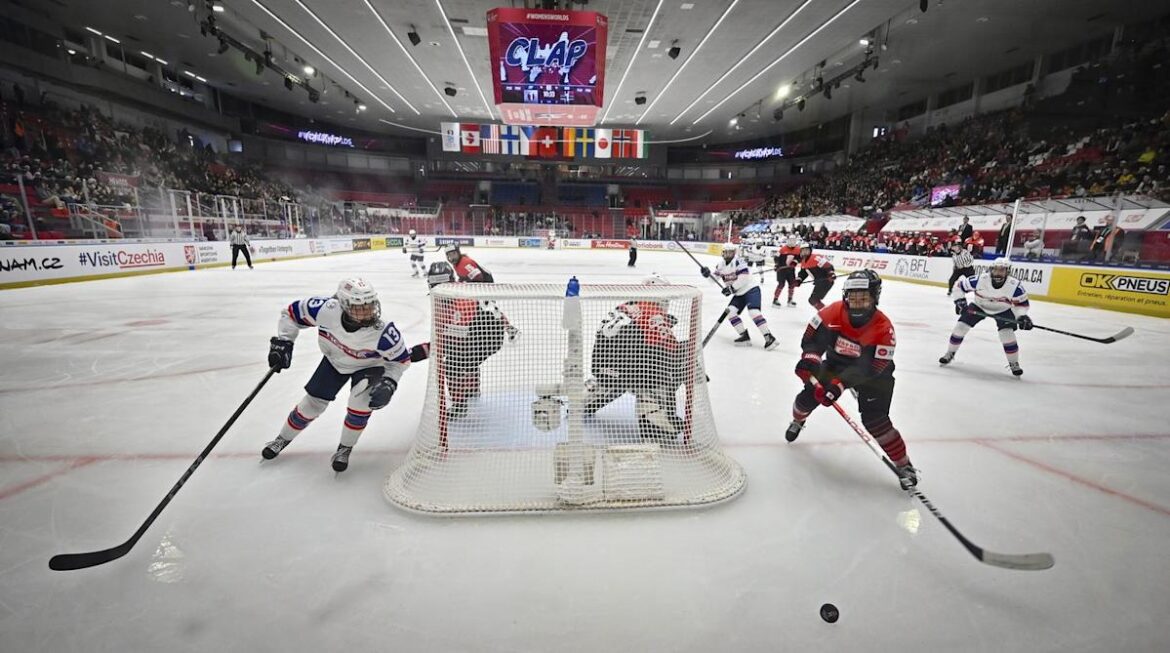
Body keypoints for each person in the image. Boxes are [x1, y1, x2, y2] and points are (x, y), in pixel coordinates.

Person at [262, 278, 421, 472]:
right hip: (335, 361)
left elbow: (400, 361)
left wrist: (389, 382)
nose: (367, 311)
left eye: (370, 305)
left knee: (360, 404)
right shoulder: (325, 310)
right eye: (359, 306)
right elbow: (291, 313)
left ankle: (345, 448)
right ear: (343, 304)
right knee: (311, 404)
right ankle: (282, 439)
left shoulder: (384, 332)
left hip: (369, 367)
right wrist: (284, 341)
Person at [784, 270, 917, 489]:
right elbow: (811, 341)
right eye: (853, 296)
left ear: (875, 297)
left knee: (876, 421)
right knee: (806, 399)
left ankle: (903, 465)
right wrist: (810, 361)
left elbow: (871, 366)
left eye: (863, 297)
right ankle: (798, 420)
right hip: (835, 364)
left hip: (874, 375)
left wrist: (840, 384)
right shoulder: (831, 313)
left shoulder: (883, 329)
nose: (857, 302)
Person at [584, 273, 688, 438]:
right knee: (665, 368)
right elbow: (672, 349)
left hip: (602, 369)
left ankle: (584, 400)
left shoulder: (625, 306)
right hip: (631, 374)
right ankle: (653, 417)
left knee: (621, 370)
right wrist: (688, 356)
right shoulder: (653, 313)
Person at [426, 262, 509, 419]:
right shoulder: (457, 291)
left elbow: (456, 337)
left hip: (487, 336)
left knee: (453, 363)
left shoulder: (461, 299)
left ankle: (459, 405)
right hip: (481, 334)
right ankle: (471, 390)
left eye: (440, 284)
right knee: (466, 359)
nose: (437, 289)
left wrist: (431, 348)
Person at [940, 258, 1032, 376]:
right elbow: (959, 286)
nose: (998, 273)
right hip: (979, 306)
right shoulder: (980, 280)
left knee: (1007, 335)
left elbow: (1022, 305)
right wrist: (960, 301)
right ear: (991, 270)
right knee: (960, 327)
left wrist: (1022, 316)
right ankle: (950, 353)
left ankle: (1014, 363)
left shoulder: (1015, 286)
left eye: (1002, 270)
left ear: (1008, 271)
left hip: (1002, 310)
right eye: (996, 270)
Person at [701, 244, 778, 349]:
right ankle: (744, 335)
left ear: (734, 252)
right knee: (730, 312)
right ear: (723, 253)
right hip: (739, 293)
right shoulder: (720, 265)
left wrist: (731, 288)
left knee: (754, 312)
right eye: (726, 252)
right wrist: (707, 274)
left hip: (751, 289)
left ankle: (769, 337)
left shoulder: (739, 261)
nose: (728, 254)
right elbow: (712, 280)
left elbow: (744, 278)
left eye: (730, 252)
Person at [795, 244, 836, 310]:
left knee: (813, 299)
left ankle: (826, 314)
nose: (805, 252)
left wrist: (831, 274)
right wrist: (799, 280)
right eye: (803, 250)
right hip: (819, 282)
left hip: (826, 281)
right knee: (813, 300)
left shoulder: (815, 258)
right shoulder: (803, 261)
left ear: (810, 251)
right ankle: (826, 313)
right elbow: (803, 273)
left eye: (806, 250)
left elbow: (828, 266)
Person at [772, 237, 801, 307]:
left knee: (792, 285)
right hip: (781, 270)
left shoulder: (798, 249)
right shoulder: (783, 249)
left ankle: (790, 300)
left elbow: (799, 258)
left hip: (791, 271)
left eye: (793, 240)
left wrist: (795, 262)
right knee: (781, 284)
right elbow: (776, 258)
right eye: (790, 240)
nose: (792, 242)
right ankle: (775, 299)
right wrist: (776, 265)